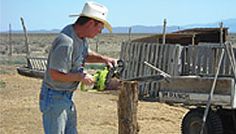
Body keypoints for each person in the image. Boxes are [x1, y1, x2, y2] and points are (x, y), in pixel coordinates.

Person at [39, 1, 116, 134]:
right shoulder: (66, 42)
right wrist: (81, 77)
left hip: (65, 96)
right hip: (55, 97)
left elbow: (85, 55)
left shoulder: (80, 37)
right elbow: (55, 74)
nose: (100, 32)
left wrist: (104, 59)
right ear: (91, 23)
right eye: (100, 28)